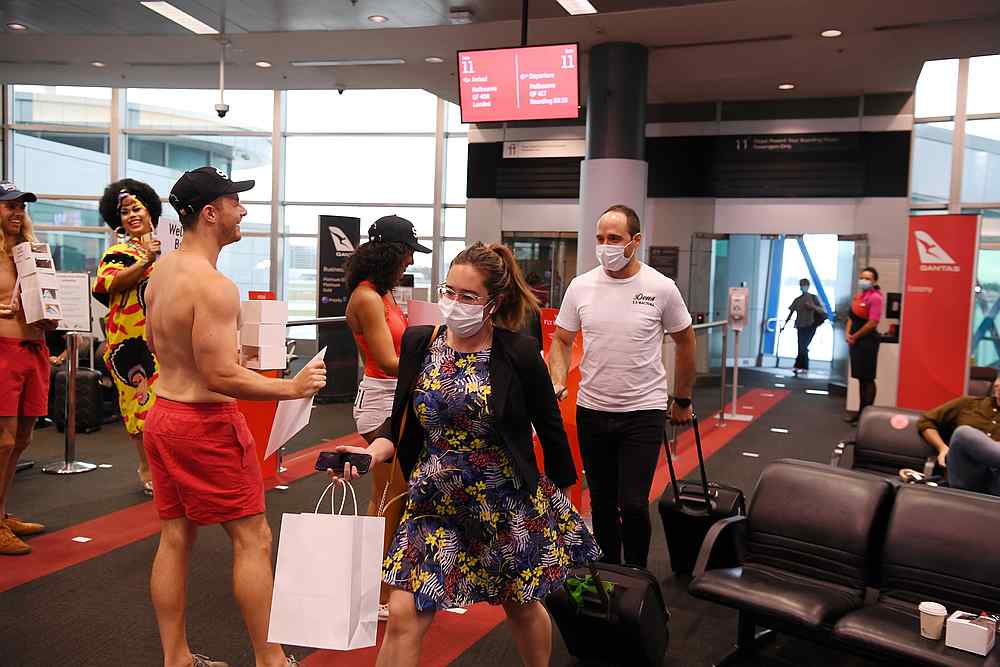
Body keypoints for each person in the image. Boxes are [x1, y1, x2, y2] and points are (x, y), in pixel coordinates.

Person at [331, 242, 600, 667]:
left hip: (502, 505)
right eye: (450, 291)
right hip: (433, 501)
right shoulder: (422, 343)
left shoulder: (518, 353)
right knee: (403, 612)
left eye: (468, 297)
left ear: (495, 303)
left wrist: (564, 501)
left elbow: (550, 429)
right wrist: (370, 453)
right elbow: (400, 421)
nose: (455, 304)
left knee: (521, 605)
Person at [143, 167, 326, 667]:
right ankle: (270, 660)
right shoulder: (215, 286)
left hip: (163, 414)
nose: (242, 210)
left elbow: (157, 344)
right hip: (204, 426)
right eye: (234, 202)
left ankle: (176, 658)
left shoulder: (161, 271)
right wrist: (290, 386)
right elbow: (222, 376)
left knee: (175, 535)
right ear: (210, 213)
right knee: (253, 539)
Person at [547, 204, 697, 569]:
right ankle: (610, 573)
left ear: (636, 241)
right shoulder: (581, 287)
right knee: (600, 502)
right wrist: (557, 377)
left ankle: (637, 575)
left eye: (614, 238)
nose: (605, 245)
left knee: (631, 503)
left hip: (643, 412)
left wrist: (683, 399)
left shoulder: (661, 288)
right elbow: (562, 340)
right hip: (593, 410)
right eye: (600, 238)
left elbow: (686, 341)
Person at [345, 214, 430, 620]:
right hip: (382, 401)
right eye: (409, 254)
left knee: (394, 496)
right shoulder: (366, 297)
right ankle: (376, 595)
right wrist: (437, 360)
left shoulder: (383, 294)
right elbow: (386, 361)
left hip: (395, 398)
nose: (410, 262)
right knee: (387, 499)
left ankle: (385, 587)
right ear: (392, 253)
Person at [92, 179, 163, 495]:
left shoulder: (168, 251)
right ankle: (146, 467)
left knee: (165, 408)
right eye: (124, 212)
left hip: (163, 339)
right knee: (140, 407)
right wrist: (145, 260)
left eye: (137, 208)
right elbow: (107, 285)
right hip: (129, 343)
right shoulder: (118, 252)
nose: (132, 215)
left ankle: (163, 468)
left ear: (150, 211)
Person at [0, 182, 57, 556]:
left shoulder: (31, 255)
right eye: (9, 207)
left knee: (21, 441)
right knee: (2, 442)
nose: (17, 212)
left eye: (21, 206)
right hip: (3, 351)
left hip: (35, 349)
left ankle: (2, 514)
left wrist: (51, 317)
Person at [918, 376, 1000, 496]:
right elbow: (926, 421)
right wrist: (942, 447)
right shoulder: (968, 404)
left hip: (997, 484)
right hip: (966, 477)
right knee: (963, 434)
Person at [846, 266, 883, 423]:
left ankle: (866, 417)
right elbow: (851, 318)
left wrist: (855, 335)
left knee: (868, 379)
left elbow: (873, 323)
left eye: (868, 278)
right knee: (860, 378)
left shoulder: (876, 298)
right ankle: (860, 413)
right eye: (862, 277)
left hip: (867, 342)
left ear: (874, 281)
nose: (864, 280)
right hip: (856, 342)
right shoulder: (858, 297)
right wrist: (848, 334)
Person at [783, 278, 823, 376]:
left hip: (811, 324)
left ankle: (799, 366)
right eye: (802, 285)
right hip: (800, 325)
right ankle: (802, 367)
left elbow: (822, 310)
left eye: (805, 285)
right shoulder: (797, 300)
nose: (804, 287)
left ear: (808, 286)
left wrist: (812, 306)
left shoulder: (814, 298)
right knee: (802, 346)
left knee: (803, 346)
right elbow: (790, 313)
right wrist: (784, 325)